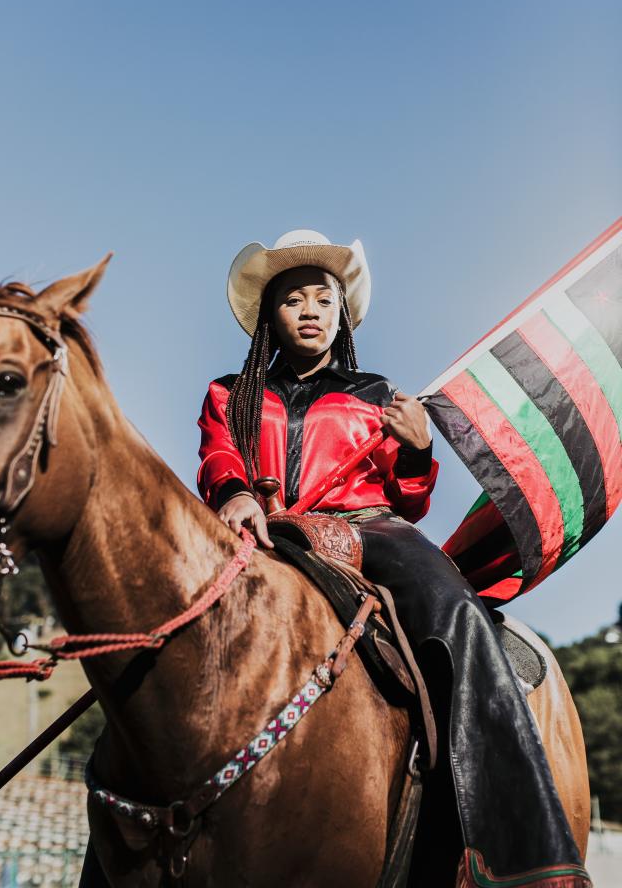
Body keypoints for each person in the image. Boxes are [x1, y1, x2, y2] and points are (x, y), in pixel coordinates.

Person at [197, 230, 592, 888]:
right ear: (270, 317)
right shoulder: (229, 393)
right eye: (293, 301)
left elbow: (410, 502)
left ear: (342, 313)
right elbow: (220, 457)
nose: (310, 310)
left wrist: (413, 452)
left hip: (367, 528)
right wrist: (236, 494)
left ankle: (516, 839)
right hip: (264, 532)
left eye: (323, 298)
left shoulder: (378, 394)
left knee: (457, 613)